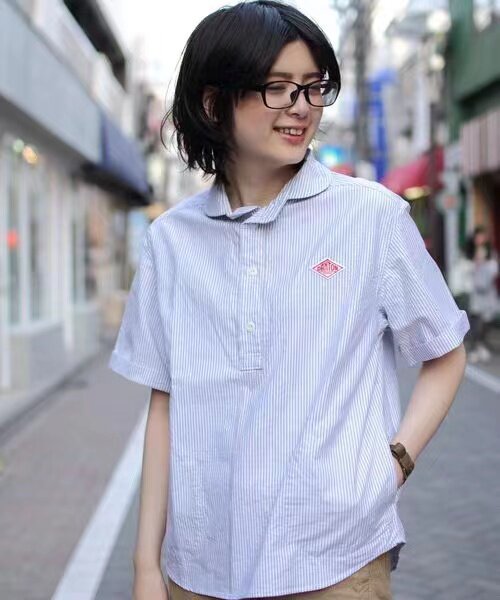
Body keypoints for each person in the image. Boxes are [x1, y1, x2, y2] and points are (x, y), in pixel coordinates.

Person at [109, 2, 470, 599]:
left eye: (312, 87)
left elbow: (446, 351)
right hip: (201, 563)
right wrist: (146, 564)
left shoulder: (370, 217)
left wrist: (394, 463)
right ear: (213, 102)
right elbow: (166, 403)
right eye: (277, 88)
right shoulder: (172, 241)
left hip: (338, 559)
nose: (301, 107)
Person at [464, 226, 499, 363]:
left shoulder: (490, 253)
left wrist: (484, 263)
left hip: (488, 293)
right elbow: (467, 268)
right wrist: (476, 263)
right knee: (476, 321)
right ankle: (477, 347)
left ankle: (481, 346)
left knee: (486, 321)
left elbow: (494, 268)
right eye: (478, 236)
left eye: (482, 236)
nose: (480, 239)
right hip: (476, 293)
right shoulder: (471, 252)